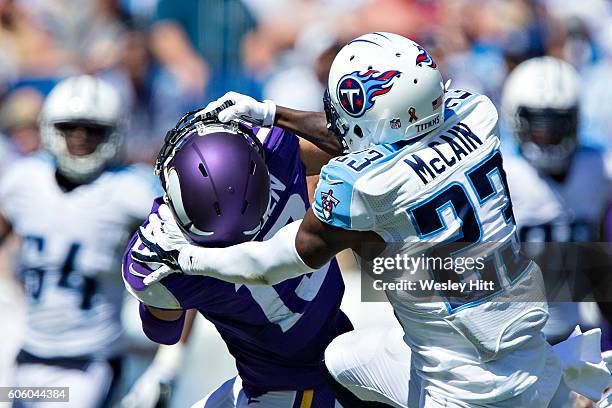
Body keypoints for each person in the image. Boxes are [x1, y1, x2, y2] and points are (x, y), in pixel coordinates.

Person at [133, 32, 612, 407]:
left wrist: (186, 257)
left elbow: (269, 264)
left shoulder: (367, 186)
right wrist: (269, 112)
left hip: (461, 394)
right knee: (363, 337)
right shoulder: (477, 114)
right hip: (526, 346)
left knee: (340, 360)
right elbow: (370, 137)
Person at [122, 108, 352, 407]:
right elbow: (352, 139)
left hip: (292, 389)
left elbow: (163, 329)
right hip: (324, 355)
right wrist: (275, 113)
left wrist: (170, 268)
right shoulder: (273, 148)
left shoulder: (158, 253)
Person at [0, 75, 161, 407]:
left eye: (92, 129)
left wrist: (169, 360)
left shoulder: (131, 191)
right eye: (70, 127)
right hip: (27, 356)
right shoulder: (24, 180)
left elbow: (182, 263)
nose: (80, 137)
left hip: (90, 363)